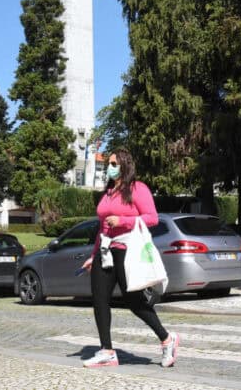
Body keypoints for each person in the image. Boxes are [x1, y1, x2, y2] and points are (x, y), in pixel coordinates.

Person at [80, 148, 180, 368]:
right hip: (106, 250)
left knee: (134, 301)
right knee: (99, 300)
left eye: (114, 164)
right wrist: (94, 254)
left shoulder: (138, 188)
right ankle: (107, 351)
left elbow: (152, 218)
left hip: (127, 250)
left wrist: (124, 220)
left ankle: (167, 339)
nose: (110, 167)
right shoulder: (108, 192)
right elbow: (102, 227)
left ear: (125, 166)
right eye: (109, 163)